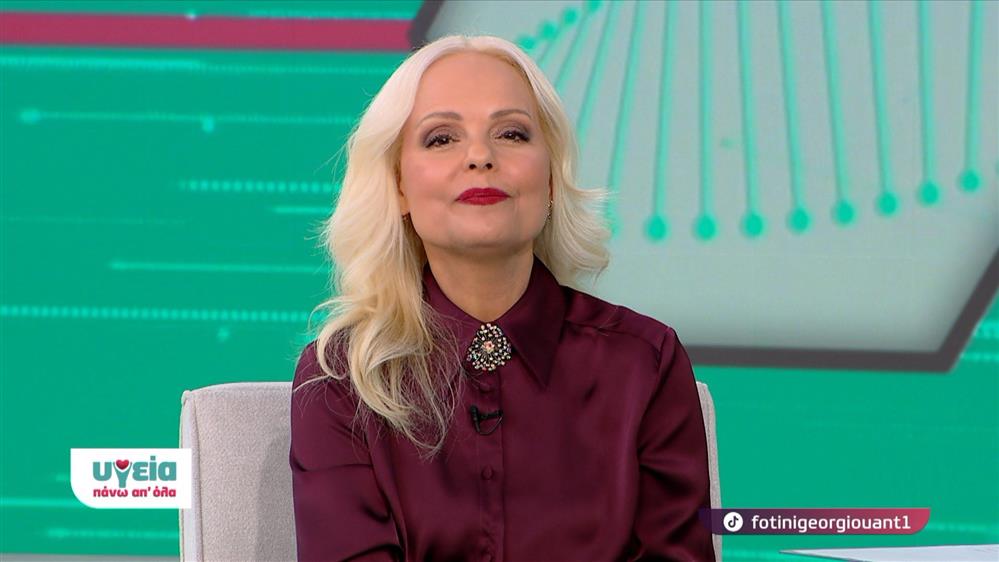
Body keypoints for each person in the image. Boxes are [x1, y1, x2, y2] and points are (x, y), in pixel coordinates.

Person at [289, 34, 716, 562]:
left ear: (551, 177)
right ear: (398, 185)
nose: (480, 157)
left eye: (511, 133)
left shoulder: (645, 363)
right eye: (442, 138)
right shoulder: (341, 378)